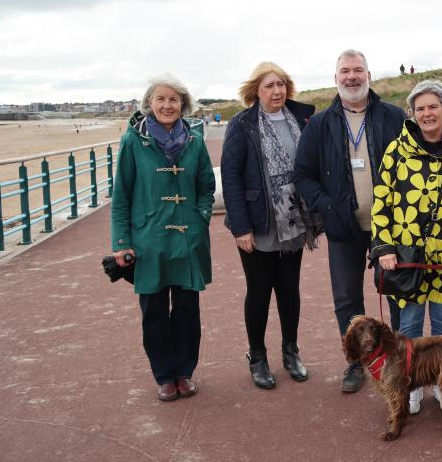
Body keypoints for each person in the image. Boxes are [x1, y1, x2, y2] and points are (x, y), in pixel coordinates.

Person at [294, 49, 405, 393]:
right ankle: (357, 363)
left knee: (397, 294)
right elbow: (303, 174)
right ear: (335, 78)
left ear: (369, 75)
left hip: (391, 227)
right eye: (345, 71)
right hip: (343, 226)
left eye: (358, 70)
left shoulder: (394, 117)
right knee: (347, 298)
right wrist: (327, 206)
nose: (352, 77)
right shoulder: (320, 124)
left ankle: (400, 361)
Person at [370, 79, 442, 415]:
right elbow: (381, 201)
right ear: (412, 114)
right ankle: (411, 383)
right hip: (407, 259)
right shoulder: (396, 151)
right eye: (420, 108)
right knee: (410, 326)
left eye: (433, 106)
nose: (427, 113)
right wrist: (385, 247)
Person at [111, 74, 216, 402]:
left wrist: (200, 218)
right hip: (148, 240)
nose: (167, 105)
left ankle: (184, 372)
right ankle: (163, 374)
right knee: (154, 314)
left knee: (187, 311)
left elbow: (206, 187)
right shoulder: (133, 141)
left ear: (182, 104)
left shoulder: (195, 141)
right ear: (149, 104)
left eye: (174, 100)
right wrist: (121, 242)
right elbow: (121, 196)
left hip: (188, 240)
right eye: (161, 99)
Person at [221, 62, 317, 390]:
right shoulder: (242, 124)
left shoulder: (301, 119)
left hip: (293, 218)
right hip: (258, 221)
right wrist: (240, 227)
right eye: (269, 86)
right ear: (256, 91)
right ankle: (257, 356)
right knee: (260, 290)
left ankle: (290, 351)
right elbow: (231, 177)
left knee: (289, 288)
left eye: (281, 85)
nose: (277, 91)